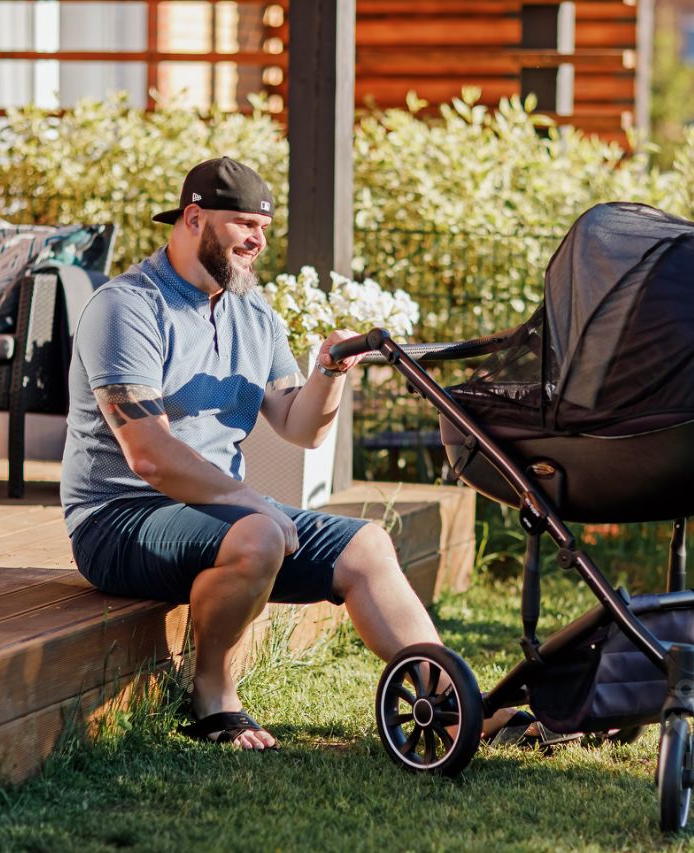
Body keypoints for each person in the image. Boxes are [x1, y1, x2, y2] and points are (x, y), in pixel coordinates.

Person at [61, 157, 459, 750]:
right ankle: (212, 696)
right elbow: (148, 454)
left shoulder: (253, 313)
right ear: (194, 219)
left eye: (265, 228)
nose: (258, 241)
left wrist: (329, 373)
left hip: (219, 513)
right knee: (260, 534)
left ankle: (449, 704)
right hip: (119, 517)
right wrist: (254, 503)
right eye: (245, 224)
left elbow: (301, 427)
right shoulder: (128, 307)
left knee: (368, 546)